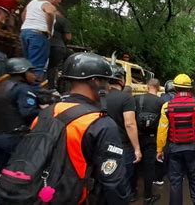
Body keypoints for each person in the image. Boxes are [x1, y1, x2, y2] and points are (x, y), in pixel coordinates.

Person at [33, 52, 128, 203]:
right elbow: (113, 183)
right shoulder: (100, 123)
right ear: (96, 81)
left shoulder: (46, 113)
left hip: (39, 194)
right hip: (74, 197)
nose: (109, 87)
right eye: (106, 81)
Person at [156, 74, 195, 205]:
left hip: (175, 149)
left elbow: (162, 130)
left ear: (175, 88)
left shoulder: (166, 106)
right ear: (189, 89)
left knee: (175, 181)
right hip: (193, 148)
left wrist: (159, 150)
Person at [0, 58, 40, 176]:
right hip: (13, 138)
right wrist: (43, 110)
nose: (34, 75)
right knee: (16, 172)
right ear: (23, 72)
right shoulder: (23, 89)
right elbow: (27, 112)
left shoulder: (1, 86)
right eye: (31, 72)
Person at [106, 65, 142, 201]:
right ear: (121, 80)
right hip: (123, 145)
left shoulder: (99, 97)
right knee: (125, 178)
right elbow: (130, 124)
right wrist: (137, 148)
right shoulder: (126, 98)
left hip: (102, 144)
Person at [133, 78, 163, 204]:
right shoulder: (160, 102)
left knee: (135, 165)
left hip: (137, 136)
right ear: (159, 87)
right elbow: (162, 123)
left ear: (147, 86)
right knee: (149, 167)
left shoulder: (137, 99)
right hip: (152, 137)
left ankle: (132, 194)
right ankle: (148, 196)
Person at [20, 0, 61, 80]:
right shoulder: (48, 4)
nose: (58, 5)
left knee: (27, 64)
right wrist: (49, 29)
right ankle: (34, 90)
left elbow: (23, 15)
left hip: (25, 32)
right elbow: (49, 13)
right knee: (37, 66)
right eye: (58, 2)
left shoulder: (32, 3)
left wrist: (27, 25)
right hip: (38, 35)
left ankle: (25, 87)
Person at [47, 11, 71, 90]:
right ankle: (54, 87)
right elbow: (68, 37)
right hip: (58, 46)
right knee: (53, 67)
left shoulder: (44, 17)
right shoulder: (63, 20)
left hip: (44, 43)